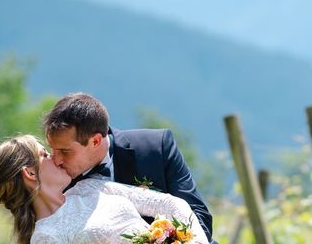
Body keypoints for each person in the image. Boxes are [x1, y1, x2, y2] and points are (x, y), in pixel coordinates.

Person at [43, 93, 215, 243]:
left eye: (65, 151)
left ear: (95, 141)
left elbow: (199, 217)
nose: (56, 160)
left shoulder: (155, 148)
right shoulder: (57, 181)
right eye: (52, 149)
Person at [0, 134, 209, 244]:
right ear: (30, 173)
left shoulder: (89, 187)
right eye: (45, 155)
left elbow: (169, 203)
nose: (56, 158)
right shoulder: (44, 238)